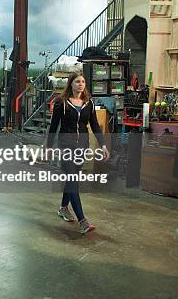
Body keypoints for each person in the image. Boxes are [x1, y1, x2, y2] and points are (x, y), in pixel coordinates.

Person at [46, 72, 109, 235]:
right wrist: (48, 146)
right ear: (71, 84)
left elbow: (94, 125)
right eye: (77, 81)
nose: (81, 84)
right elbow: (53, 126)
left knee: (72, 180)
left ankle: (63, 208)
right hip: (66, 146)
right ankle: (83, 221)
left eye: (82, 81)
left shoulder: (89, 103)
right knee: (73, 180)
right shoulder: (62, 103)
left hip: (82, 147)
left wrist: (103, 145)